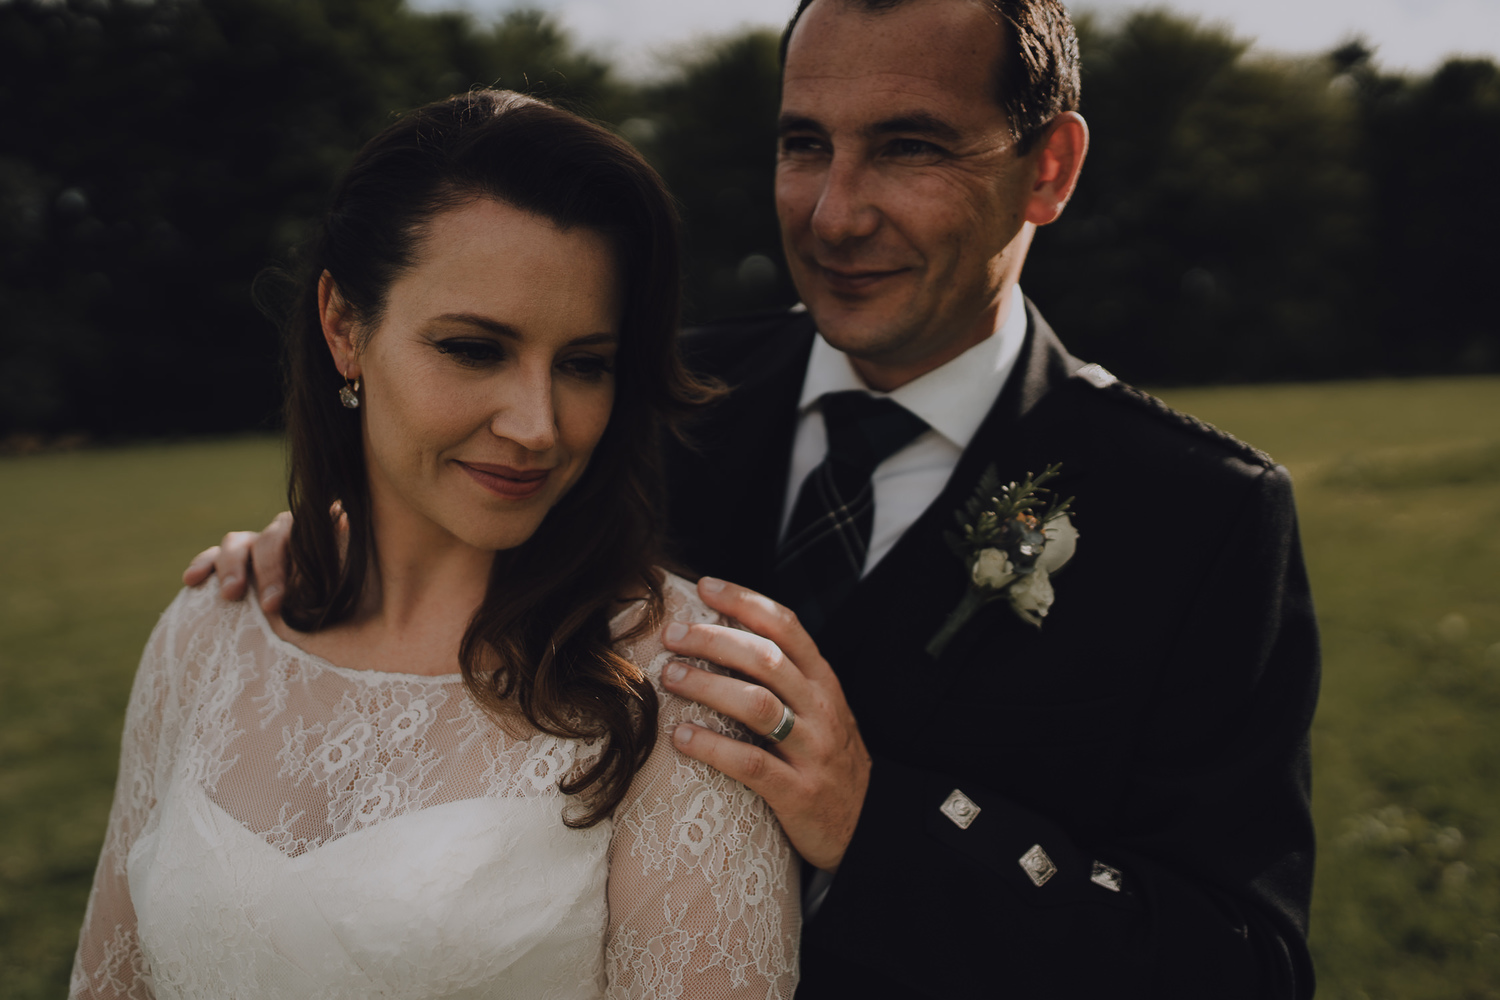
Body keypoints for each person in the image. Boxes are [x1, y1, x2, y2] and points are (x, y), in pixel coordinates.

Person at [194, 1, 1321, 996]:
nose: (833, 214)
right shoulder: (629, 401)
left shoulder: (1203, 517)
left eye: (909, 147)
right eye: (804, 145)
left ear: (1051, 167)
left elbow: (1243, 965)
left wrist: (876, 825)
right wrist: (348, 550)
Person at [71, 90, 800, 1000]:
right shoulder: (206, 631)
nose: (537, 425)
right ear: (344, 327)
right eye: (474, 349)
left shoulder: (678, 688)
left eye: (584, 364)